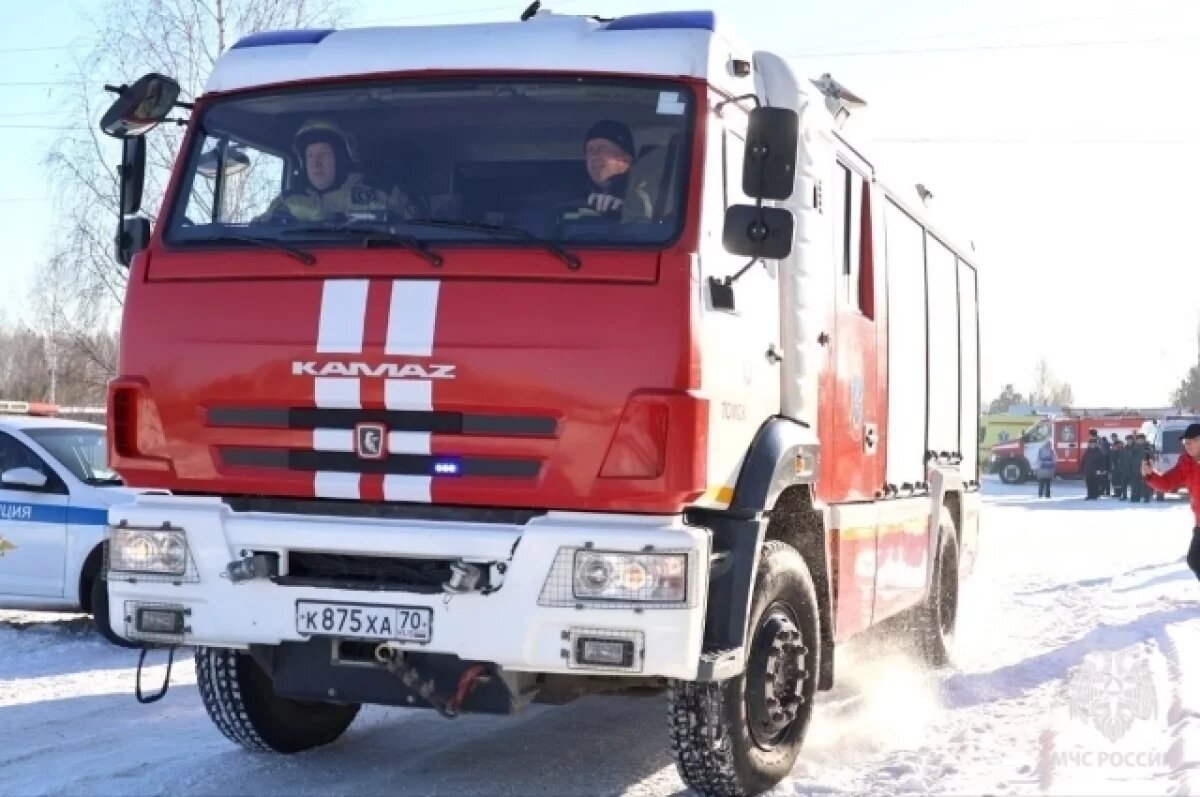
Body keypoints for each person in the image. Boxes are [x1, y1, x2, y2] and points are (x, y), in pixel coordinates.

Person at [257, 118, 421, 224]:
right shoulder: (288, 201)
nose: (316, 163)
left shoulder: (384, 193)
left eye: (324, 154)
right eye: (310, 156)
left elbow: (420, 235)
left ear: (342, 158)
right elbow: (256, 235)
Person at [1143, 423, 1200, 581]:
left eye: (1190, 442)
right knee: (1194, 560)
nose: (1186, 446)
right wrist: (1150, 475)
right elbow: (1167, 483)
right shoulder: (1186, 463)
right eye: (1185, 443)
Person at [569, 120, 653, 221]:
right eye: (589, 150)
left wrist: (625, 210)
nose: (593, 156)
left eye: (602, 149)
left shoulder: (652, 191)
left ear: (626, 159)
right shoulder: (574, 196)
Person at [1128, 433, 1154, 503]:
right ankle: (1136, 497)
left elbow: (1150, 457)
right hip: (1135, 468)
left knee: (1145, 484)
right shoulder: (1134, 447)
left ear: (1144, 440)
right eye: (1139, 439)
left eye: (1141, 439)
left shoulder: (1147, 447)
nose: (1140, 441)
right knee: (1135, 484)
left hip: (1145, 468)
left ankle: (1146, 497)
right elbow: (1129, 457)